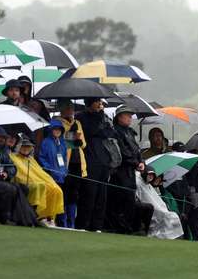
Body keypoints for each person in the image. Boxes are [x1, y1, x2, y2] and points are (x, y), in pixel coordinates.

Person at [75, 97, 118, 232]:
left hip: (104, 160)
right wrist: (100, 128)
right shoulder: (81, 117)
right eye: (97, 102)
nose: (100, 104)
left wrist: (101, 127)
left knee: (101, 195)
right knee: (89, 193)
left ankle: (97, 226)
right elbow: (89, 131)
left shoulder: (104, 117)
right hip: (89, 159)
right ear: (89, 103)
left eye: (101, 102)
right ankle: (83, 224)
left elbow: (111, 132)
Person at [107, 105, 144, 234]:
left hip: (131, 172)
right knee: (121, 199)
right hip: (120, 172)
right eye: (127, 115)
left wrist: (141, 162)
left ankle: (128, 226)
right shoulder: (116, 132)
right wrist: (136, 163)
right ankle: (121, 227)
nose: (130, 118)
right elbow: (122, 152)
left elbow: (136, 150)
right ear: (119, 117)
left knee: (130, 200)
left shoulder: (130, 132)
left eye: (130, 115)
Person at [11, 136, 64, 224]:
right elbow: (19, 174)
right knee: (40, 186)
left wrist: (50, 182)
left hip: (36, 181)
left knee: (55, 189)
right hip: (23, 182)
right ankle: (36, 215)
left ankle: (48, 217)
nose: (26, 148)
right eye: (23, 146)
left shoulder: (31, 159)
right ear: (18, 146)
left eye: (28, 146)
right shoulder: (13, 157)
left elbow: (41, 174)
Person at [56, 98, 86, 229]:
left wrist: (74, 136)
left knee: (74, 193)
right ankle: (62, 221)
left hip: (78, 162)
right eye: (67, 107)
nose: (70, 110)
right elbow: (60, 141)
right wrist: (72, 135)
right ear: (61, 109)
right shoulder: (56, 122)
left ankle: (71, 222)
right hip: (64, 162)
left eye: (71, 107)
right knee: (64, 191)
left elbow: (83, 144)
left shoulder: (77, 123)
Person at [134, 166, 183, 240]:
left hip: (160, 208)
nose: (151, 177)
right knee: (167, 216)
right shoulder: (138, 181)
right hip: (152, 208)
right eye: (149, 175)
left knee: (173, 216)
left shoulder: (151, 186)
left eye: (152, 176)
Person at [37, 118, 70, 226]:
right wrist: (48, 169)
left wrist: (65, 170)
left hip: (61, 175)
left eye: (59, 130)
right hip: (50, 174)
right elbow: (42, 157)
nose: (57, 131)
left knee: (59, 198)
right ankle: (45, 217)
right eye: (55, 129)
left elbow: (64, 159)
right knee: (50, 196)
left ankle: (53, 219)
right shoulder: (46, 142)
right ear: (51, 130)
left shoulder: (62, 143)